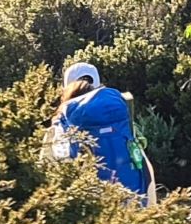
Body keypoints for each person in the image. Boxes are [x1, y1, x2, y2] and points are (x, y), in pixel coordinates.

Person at [52, 59, 151, 199]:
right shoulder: (117, 105)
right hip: (133, 196)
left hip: (92, 201)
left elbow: (57, 159)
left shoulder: (64, 119)